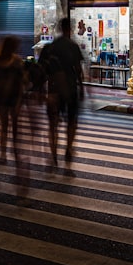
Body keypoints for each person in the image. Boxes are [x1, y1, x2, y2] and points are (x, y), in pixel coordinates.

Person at [40, 17, 85, 167]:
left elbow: (43, 70)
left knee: (53, 124)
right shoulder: (73, 46)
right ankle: (68, 148)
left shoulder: (50, 47)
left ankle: (53, 155)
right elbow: (78, 70)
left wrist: (41, 90)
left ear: (59, 28)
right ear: (70, 29)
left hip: (53, 91)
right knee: (71, 121)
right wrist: (82, 88)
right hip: (71, 89)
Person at [0, 35, 25, 164]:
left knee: (4, 126)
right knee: (14, 125)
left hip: (1, 97)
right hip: (14, 97)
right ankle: (14, 150)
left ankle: (3, 153)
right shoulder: (17, 61)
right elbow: (22, 81)